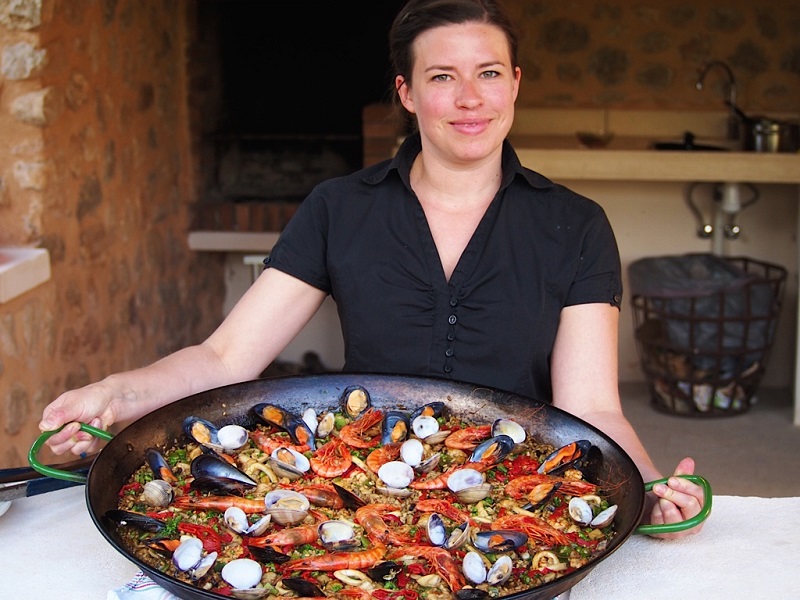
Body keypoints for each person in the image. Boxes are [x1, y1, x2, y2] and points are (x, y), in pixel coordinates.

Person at [39, 0, 705, 539]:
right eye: (443, 77)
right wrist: (119, 395)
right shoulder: (339, 208)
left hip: (514, 504)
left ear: (516, 84)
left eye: (490, 73)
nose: (471, 98)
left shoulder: (575, 223)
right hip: (358, 493)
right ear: (407, 93)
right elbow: (224, 356)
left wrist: (645, 490)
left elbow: (589, 407)